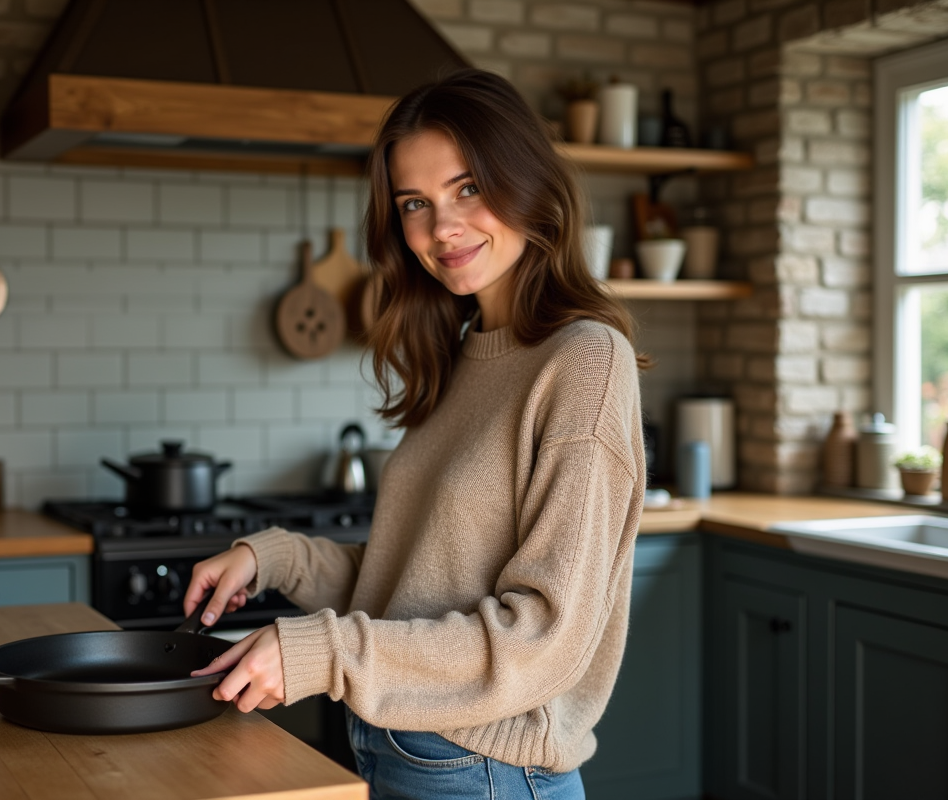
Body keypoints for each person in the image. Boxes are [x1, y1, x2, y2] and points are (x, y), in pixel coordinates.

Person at [185, 68, 648, 800]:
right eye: (415, 204)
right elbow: (415, 587)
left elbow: (543, 639)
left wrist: (320, 652)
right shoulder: (462, 352)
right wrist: (274, 559)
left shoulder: (584, 359)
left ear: (527, 180)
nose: (442, 228)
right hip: (398, 746)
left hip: (487, 771)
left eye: (468, 188)